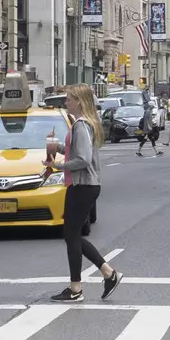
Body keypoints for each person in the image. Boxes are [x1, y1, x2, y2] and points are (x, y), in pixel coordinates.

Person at [47, 85, 122, 303]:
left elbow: (83, 159)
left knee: (71, 236)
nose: (66, 102)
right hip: (85, 185)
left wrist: (58, 165)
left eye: (69, 99)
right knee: (72, 235)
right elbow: (77, 150)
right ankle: (107, 274)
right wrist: (57, 147)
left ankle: (76, 289)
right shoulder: (85, 124)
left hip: (83, 185)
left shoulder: (81, 125)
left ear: (79, 102)